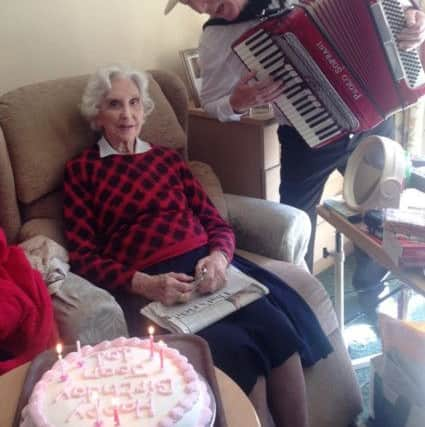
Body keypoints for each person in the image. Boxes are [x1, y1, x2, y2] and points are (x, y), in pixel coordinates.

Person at [63, 64, 332, 427]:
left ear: (145, 109)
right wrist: (142, 283)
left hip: (211, 271)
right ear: (97, 113)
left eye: (134, 103)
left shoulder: (167, 159)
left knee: (280, 331)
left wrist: (219, 257)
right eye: (114, 104)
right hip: (157, 284)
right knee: (236, 353)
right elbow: (82, 256)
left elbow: (215, 223)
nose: (127, 114)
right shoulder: (83, 170)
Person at [164, 0, 425, 291]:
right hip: (307, 138)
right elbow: (212, 103)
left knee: (383, 206)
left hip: (374, 119)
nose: (201, 8)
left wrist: (414, 18)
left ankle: (371, 284)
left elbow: (399, 9)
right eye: (189, 4)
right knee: (297, 226)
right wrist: (236, 103)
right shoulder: (216, 35)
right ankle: (306, 297)